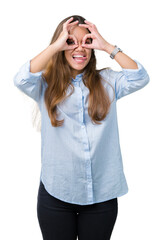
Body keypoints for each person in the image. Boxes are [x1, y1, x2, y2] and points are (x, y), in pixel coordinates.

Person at [13, 15, 150, 240]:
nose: (79, 48)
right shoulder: (44, 85)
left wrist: (106, 46)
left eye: (85, 42)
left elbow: (140, 77)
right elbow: (21, 78)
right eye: (70, 41)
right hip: (56, 194)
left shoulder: (108, 81)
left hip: (101, 196)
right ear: (61, 45)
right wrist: (55, 46)